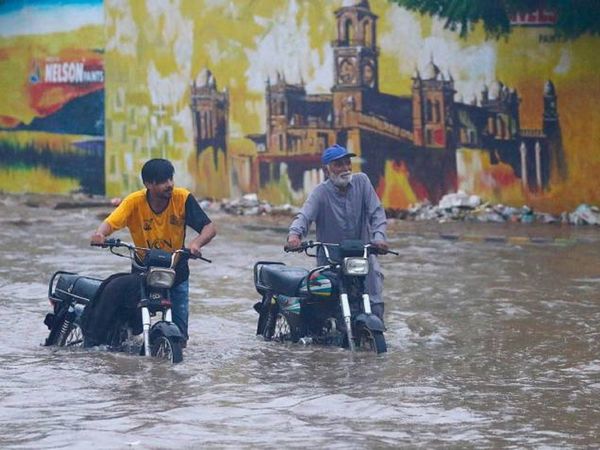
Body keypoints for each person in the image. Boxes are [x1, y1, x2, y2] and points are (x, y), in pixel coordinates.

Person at [88, 158, 216, 345]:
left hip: (176, 271)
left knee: (181, 336)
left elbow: (209, 228)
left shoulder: (183, 198)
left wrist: (196, 244)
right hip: (143, 270)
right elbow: (111, 222)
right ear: (148, 184)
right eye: (163, 181)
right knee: (129, 328)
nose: (170, 185)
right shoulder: (133, 202)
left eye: (171, 179)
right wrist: (100, 234)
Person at [286, 144, 389, 320]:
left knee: (375, 306)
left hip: (362, 259)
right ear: (326, 170)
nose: (345, 168)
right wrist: (294, 235)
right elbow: (304, 216)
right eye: (338, 164)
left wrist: (379, 238)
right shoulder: (320, 192)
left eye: (348, 163)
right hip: (332, 263)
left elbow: (377, 213)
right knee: (330, 311)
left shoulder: (362, 182)